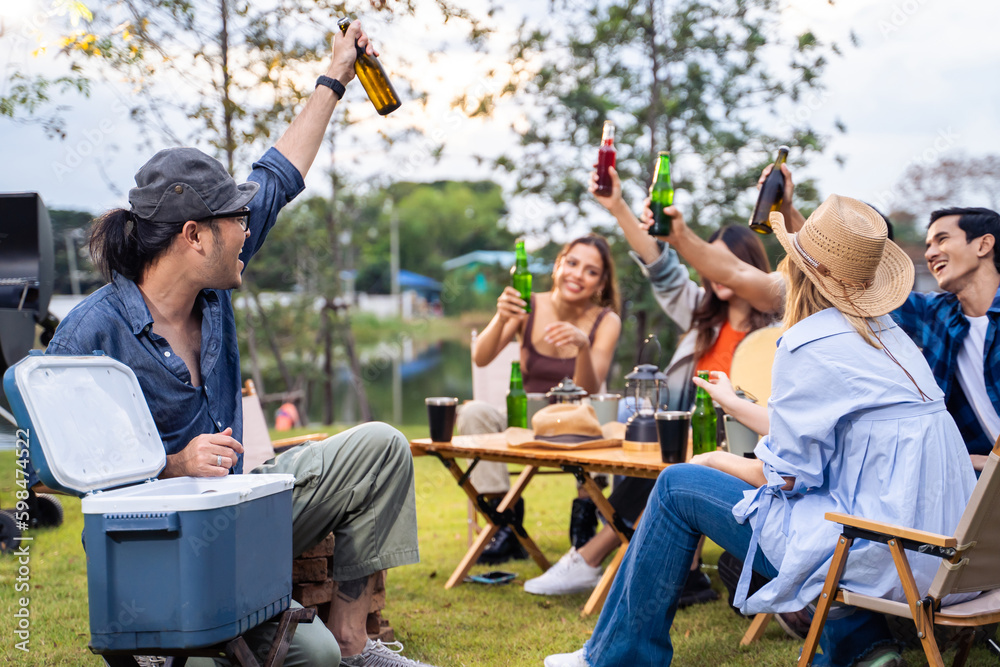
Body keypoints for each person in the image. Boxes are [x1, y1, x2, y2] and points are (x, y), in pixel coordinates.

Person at [44, 22, 433, 667]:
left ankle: (354, 638)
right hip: (162, 550)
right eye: (236, 219)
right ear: (194, 236)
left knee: (381, 448)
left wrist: (337, 74)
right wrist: (171, 465)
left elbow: (281, 170)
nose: (249, 225)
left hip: (241, 506)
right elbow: (49, 470)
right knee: (300, 658)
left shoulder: (216, 282)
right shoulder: (91, 331)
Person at [544, 194, 977, 667]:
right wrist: (735, 403)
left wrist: (713, 461)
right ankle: (863, 648)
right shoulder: (890, 338)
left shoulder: (806, 342)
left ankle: (612, 658)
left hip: (880, 553)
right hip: (939, 554)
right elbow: (833, 436)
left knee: (673, 487)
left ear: (797, 268)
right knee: (805, 512)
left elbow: (788, 477)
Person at [521, 168, 776, 600]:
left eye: (726, 263)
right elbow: (663, 267)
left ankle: (591, 556)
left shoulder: (776, 330)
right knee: (641, 430)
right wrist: (618, 206)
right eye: (706, 260)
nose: (714, 271)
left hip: (738, 442)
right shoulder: (700, 315)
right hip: (680, 433)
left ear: (746, 268)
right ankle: (644, 560)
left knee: (665, 455)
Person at [657, 163, 1000, 470]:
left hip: (955, 480)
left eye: (942, 239)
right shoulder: (933, 314)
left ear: (984, 245)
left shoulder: (815, 347)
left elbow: (788, 471)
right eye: (927, 243)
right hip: (957, 480)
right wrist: (790, 211)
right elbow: (834, 271)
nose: (930, 252)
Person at [457, 234, 622, 564]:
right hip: (527, 425)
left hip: (578, 426)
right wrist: (502, 317)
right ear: (558, 264)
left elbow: (588, 388)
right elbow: (481, 357)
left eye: (591, 271)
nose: (577, 274)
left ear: (602, 283)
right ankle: (504, 520)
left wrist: (583, 348)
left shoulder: (606, 320)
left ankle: (586, 513)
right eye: (572, 263)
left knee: (608, 421)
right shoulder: (528, 304)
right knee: (472, 412)